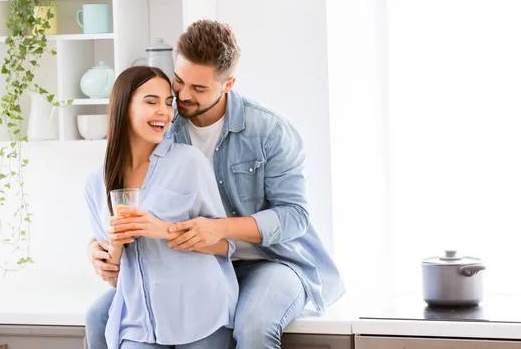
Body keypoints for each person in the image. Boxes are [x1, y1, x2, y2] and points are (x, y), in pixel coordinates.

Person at [86, 20, 345, 349]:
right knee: (99, 315)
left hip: (269, 261)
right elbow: (130, 185)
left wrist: (220, 229)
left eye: (199, 88)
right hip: (195, 265)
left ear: (228, 83)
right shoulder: (165, 121)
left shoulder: (268, 129)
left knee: (254, 327)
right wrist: (96, 247)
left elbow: (295, 216)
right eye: (179, 80)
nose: (181, 95)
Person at [84, 66, 238, 349]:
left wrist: (162, 230)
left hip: (200, 313)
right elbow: (114, 276)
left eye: (168, 103)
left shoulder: (188, 163)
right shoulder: (96, 183)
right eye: (151, 102)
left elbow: (225, 246)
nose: (164, 113)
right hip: (140, 323)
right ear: (123, 107)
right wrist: (112, 248)